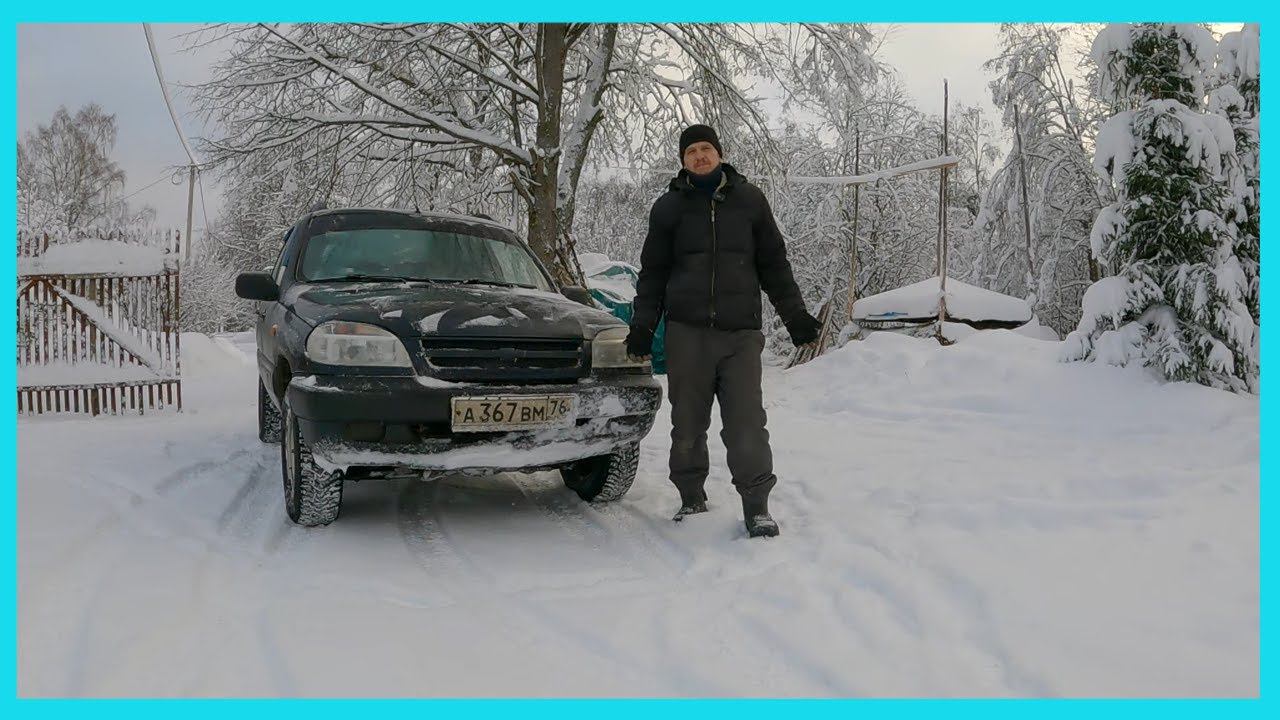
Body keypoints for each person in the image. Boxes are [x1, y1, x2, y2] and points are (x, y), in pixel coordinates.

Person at [626, 124, 822, 538]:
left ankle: (757, 506)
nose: (699, 156)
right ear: (683, 160)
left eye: (706, 148)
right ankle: (691, 496)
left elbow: (774, 264)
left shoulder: (749, 201)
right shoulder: (668, 208)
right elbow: (653, 274)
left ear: (719, 153)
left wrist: (795, 315)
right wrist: (642, 326)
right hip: (686, 334)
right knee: (688, 424)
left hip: (741, 335)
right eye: (691, 150)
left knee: (747, 423)